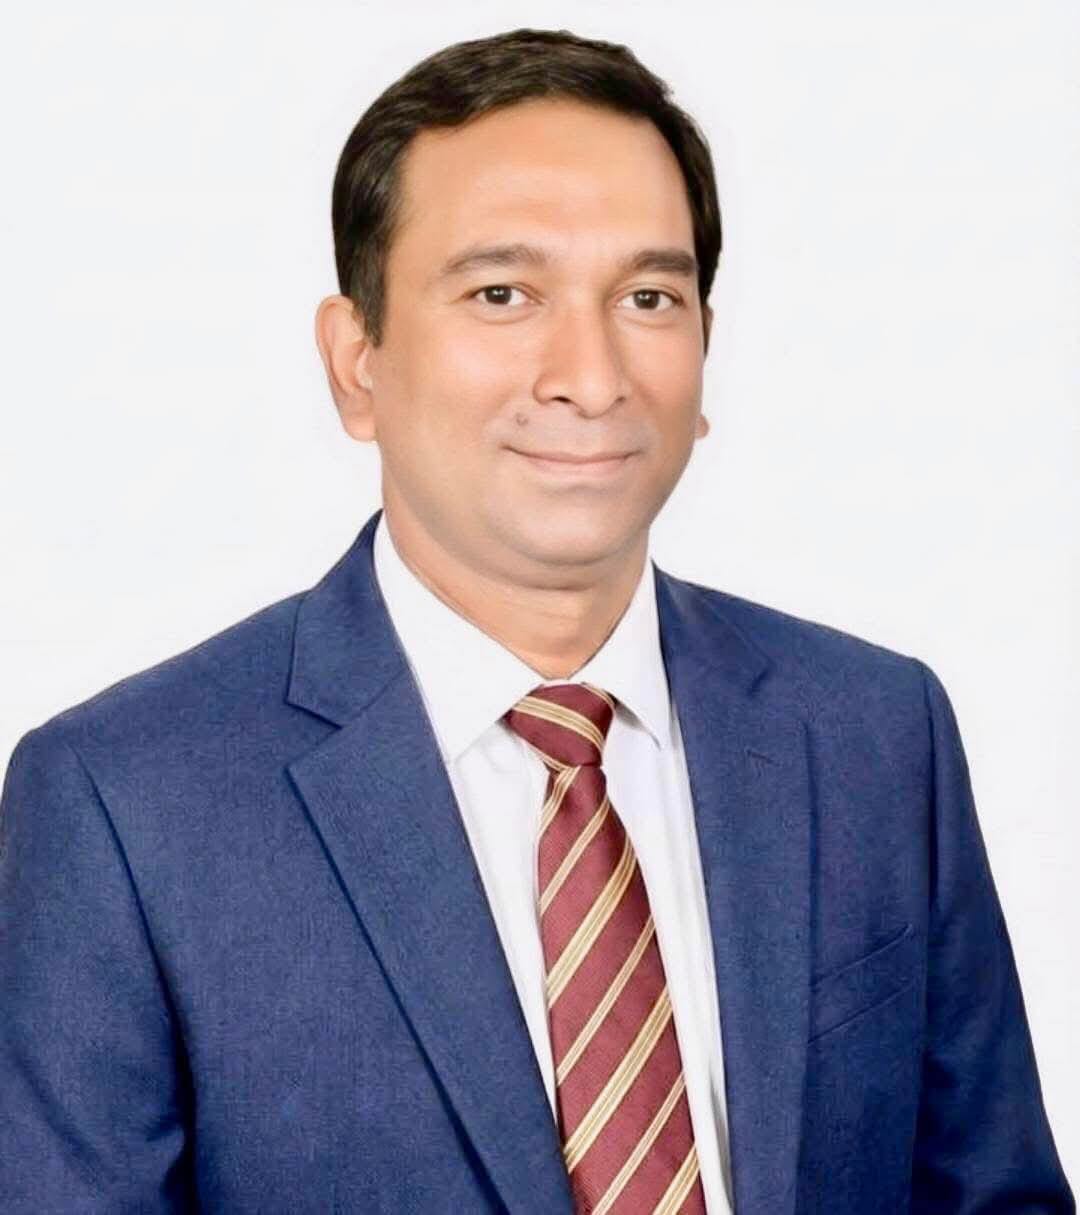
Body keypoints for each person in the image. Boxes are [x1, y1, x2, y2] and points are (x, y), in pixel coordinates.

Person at [0, 26, 1072, 1215]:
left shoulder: (874, 732)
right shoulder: (124, 801)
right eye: (502, 294)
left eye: (648, 297)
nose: (592, 376)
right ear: (356, 362)